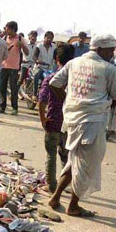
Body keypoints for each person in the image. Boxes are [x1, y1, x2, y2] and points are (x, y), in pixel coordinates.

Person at [48, 34, 116, 217]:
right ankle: (73, 205)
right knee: (85, 165)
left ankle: (56, 197)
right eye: (110, 50)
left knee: (74, 160)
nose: (112, 54)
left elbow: (54, 83)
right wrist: (102, 108)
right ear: (100, 49)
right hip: (92, 122)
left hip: (73, 120)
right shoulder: (108, 68)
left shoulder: (74, 63)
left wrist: (68, 100)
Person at [38, 43, 75, 192]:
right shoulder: (74, 81)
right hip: (69, 123)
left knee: (51, 156)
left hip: (53, 121)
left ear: (57, 58)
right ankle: (64, 184)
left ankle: (52, 186)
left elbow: (42, 101)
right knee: (66, 157)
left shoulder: (51, 78)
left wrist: (43, 119)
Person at [1, 21, 28, 116]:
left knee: (14, 89)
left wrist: (22, 45)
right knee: (2, 88)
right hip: (3, 66)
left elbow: (27, 53)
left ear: (12, 29)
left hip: (14, 67)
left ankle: (14, 108)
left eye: (7, 28)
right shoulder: (4, 38)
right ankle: (2, 107)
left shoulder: (20, 38)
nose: (5, 30)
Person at [33, 31, 56, 96]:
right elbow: (34, 56)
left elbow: (56, 56)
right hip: (39, 67)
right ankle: (34, 94)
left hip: (49, 68)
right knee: (36, 75)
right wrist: (37, 61)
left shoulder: (54, 47)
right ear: (44, 37)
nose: (49, 39)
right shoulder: (39, 46)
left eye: (51, 38)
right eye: (48, 38)